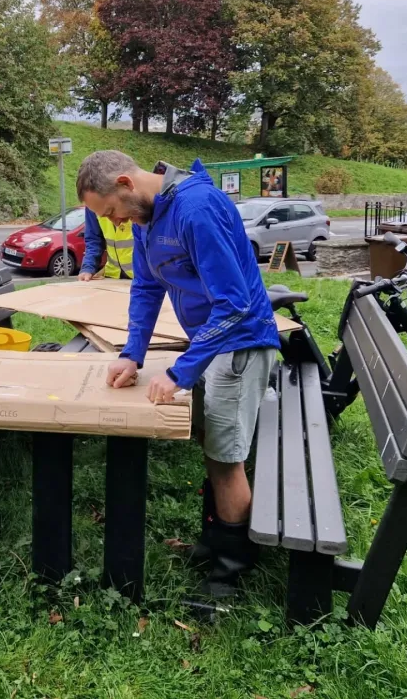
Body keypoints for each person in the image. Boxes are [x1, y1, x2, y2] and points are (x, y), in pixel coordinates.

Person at [76, 150, 279, 597]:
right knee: (214, 446)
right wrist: (132, 354)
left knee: (227, 459)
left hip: (242, 342)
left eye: (112, 212)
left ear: (127, 183)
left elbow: (235, 303)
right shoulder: (151, 218)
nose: (118, 223)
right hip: (213, 343)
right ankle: (216, 540)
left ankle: (234, 568)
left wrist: (181, 371)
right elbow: (147, 288)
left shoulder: (196, 208)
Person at [78, 207, 134, 281]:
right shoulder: (91, 203)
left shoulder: (135, 199)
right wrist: (88, 268)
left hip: (142, 277)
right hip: (113, 275)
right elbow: (94, 240)